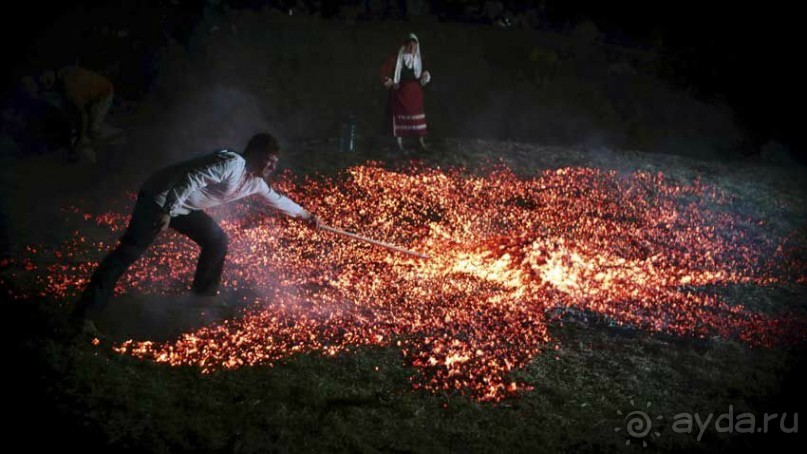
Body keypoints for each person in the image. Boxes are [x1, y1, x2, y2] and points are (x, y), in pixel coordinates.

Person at [72, 133, 320, 334]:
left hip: (184, 207)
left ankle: (202, 297)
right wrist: (167, 211)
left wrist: (307, 216)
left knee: (217, 240)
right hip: (160, 198)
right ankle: (84, 316)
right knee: (128, 252)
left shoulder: (255, 182)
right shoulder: (232, 163)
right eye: (269, 160)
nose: (272, 166)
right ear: (255, 154)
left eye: (275, 162)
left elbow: (279, 200)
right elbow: (191, 178)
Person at [40, 66, 115, 163]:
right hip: (92, 91)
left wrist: (78, 142)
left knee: (92, 130)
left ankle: (101, 156)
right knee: (74, 116)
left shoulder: (71, 89)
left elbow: (83, 116)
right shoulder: (63, 73)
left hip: (104, 93)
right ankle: (82, 138)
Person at [380, 32, 431, 152]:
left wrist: (425, 76)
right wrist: (392, 83)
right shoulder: (397, 59)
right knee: (400, 117)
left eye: (414, 46)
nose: (412, 48)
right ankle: (399, 143)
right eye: (409, 46)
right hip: (401, 93)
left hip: (415, 94)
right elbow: (384, 71)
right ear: (405, 46)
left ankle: (421, 142)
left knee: (417, 117)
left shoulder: (419, 60)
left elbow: (423, 74)